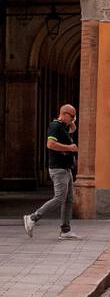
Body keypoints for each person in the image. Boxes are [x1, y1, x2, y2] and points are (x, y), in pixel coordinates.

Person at [23, 103, 82, 240]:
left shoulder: (63, 127)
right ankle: (32, 218)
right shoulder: (55, 126)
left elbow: (73, 129)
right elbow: (50, 144)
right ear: (64, 114)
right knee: (59, 198)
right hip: (58, 169)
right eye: (72, 116)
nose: (73, 119)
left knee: (68, 200)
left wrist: (72, 122)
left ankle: (65, 231)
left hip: (66, 169)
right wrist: (70, 148)